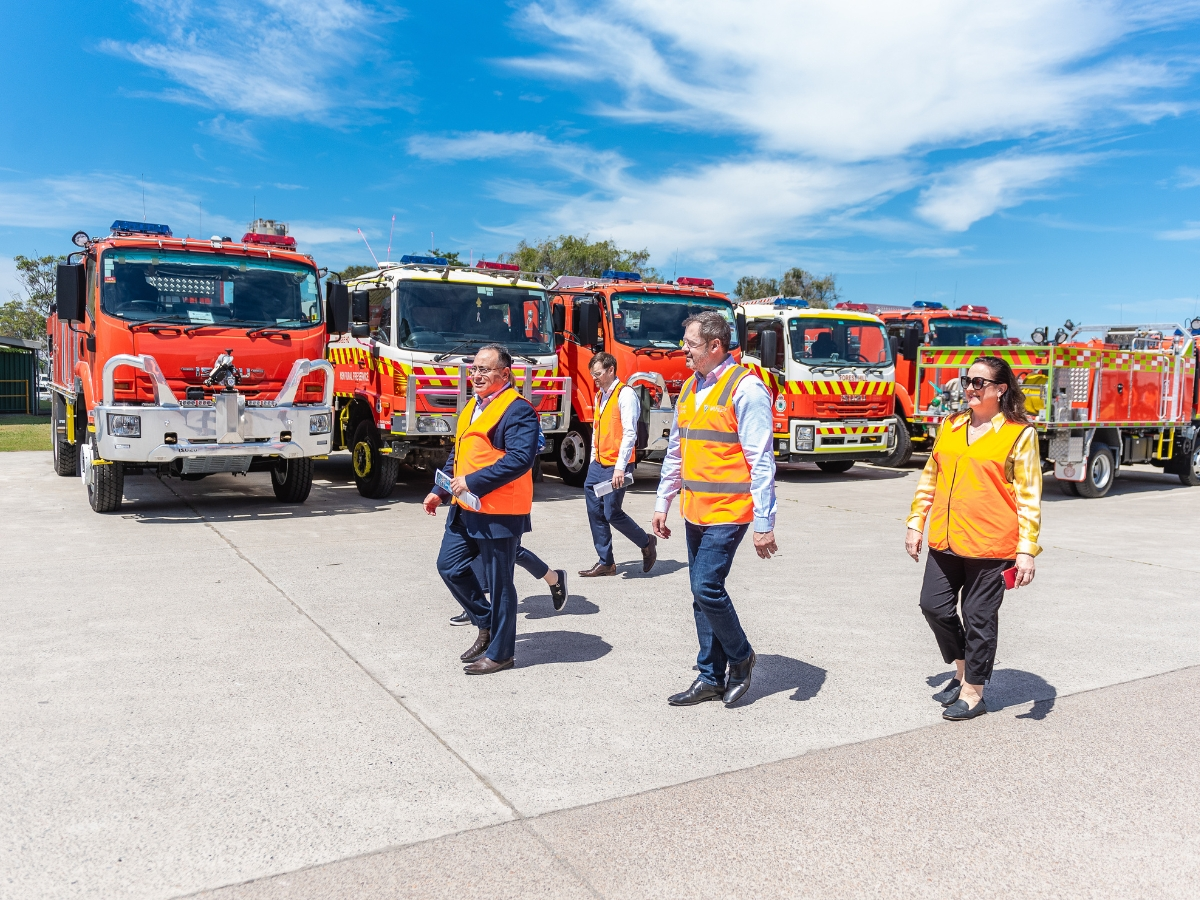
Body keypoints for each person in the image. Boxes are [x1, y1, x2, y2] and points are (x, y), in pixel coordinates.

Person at [652, 311, 779, 707]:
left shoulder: (747, 389)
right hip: (695, 508)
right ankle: (710, 676)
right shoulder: (690, 387)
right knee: (700, 594)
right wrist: (663, 500)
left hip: (729, 508)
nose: (682, 350)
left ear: (714, 346)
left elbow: (762, 460)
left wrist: (764, 521)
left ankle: (741, 658)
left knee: (705, 585)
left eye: (689, 343)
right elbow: (676, 449)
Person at [906, 355, 1042, 721]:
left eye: (979, 382)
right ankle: (963, 666)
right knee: (933, 606)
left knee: (978, 617)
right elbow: (930, 477)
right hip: (946, 538)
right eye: (968, 380)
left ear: (1000, 389)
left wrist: (1026, 551)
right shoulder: (950, 425)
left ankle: (973, 692)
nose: (970, 387)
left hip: (992, 544)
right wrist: (916, 522)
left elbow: (1029, 497)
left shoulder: (1019, 433)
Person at [424, 344, 538, 675]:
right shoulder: (473, 406)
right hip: (464, 507)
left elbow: (520, 460)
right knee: (450, 567)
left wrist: (472, 481)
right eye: (474, 369)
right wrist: (439, 491)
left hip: (499, 513)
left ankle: (502, 653)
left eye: (485, 370)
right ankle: (488, 623)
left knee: (501, 583)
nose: (477, 376)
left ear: (505, 373)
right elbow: (459, 454)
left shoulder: (518, 410)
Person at [579, 352, 658, 577]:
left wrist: (621, 467)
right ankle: (606, 562)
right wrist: (594, 457)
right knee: (595, 511)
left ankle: (646, 542)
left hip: (616, 465)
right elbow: (597, 429)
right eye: (592, 374)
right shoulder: (599, 396)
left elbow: (629, 433)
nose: (594, 378)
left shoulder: (625, 395)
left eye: (598, 373)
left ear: (611, 370)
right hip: (599, 464)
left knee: (612, 512)